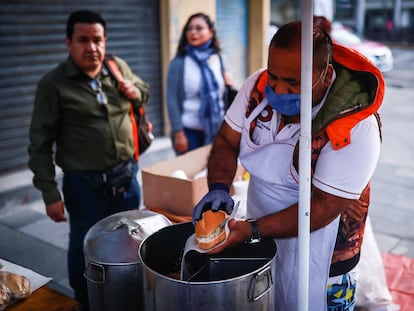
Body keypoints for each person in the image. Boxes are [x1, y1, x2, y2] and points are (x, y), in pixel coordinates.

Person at [192, 21, 384, 310]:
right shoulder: (256, 86)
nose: (279, 90)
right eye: (274, 78)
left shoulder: (356, 126)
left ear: (325, 75)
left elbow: (321, 208)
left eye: (293, 83)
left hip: (323, 254)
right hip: (263, 242)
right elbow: (227, 141)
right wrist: (218, 188)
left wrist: (252, 230)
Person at [28, 10, 149, 310]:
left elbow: (142, 92)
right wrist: (49, 193)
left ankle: (129, 297)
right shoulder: (53, 84)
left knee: (131, 245)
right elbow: (39, 144)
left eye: (98, 40)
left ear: (105, 42)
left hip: (126, 179)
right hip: (84, 186)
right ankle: (85, 300)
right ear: (69, 43)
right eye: (83, 40)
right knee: (84, 246)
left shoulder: (117, 67)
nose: (92, 47)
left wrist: (135, 90)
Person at [166, 12, 233, 154]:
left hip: (217, 130)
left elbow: (223, 95)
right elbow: (171, 99)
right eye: (189, 29)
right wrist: (178, 132)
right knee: (187, 175)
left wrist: (229, 84)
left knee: (214, 173)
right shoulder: (179, 63)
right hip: (189, 133)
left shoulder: (219, 59)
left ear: (211, 32)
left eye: (199, 28)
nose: (193, 32)